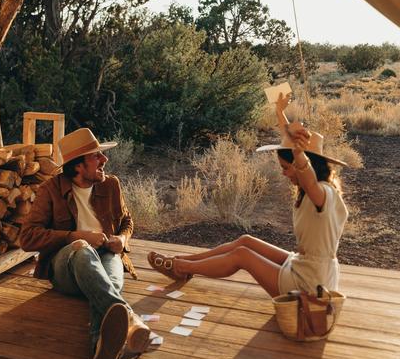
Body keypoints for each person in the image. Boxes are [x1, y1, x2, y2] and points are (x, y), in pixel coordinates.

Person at [148, 92, 348, 298]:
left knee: (242, 256)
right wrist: (279, 111)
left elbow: (308, 177)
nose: (283, 173)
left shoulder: (323, 193)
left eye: (287, 167)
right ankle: (184, 260)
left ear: (305, 165)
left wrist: (299, 156)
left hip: (310, 283)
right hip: (304, 265)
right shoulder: (317, 189)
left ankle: (181, 267)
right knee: (246, 241)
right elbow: (291, 147)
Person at [20, 127, 150, 359]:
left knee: (110, 280)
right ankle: (132, 320)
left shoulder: (111, 185)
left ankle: (99, 347)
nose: (105, 160)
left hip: (106, 255)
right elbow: (27, 237)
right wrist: (75, 236)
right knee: (82, 250)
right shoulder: (51, 190)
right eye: (96, 156)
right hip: (67, 265)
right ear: (78, 166)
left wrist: (122, 240)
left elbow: (127, 221)